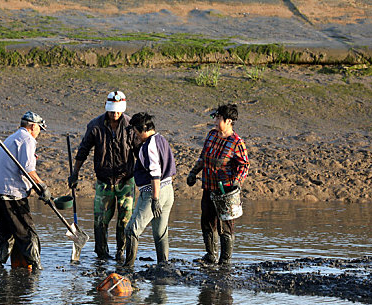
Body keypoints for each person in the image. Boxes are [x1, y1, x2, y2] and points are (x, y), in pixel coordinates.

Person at [68, 91, 139, 261]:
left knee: (125, 220)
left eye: (118, 111)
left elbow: (140, 152)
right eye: (112, 111)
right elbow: (83, 150)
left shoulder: (131, 126)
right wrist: (74, 173)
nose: (115, 114)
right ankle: (101, 255)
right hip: (103, 182)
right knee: (100, 221)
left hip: (126, 181)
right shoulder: (95, 126)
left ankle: (121, 253)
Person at [0, 111, 52, 270]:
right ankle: (37, 268)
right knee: (27, 233)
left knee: (6, 233)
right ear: (32, 126)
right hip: (11, 194)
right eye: (39, 130)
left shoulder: (12, 138)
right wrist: (42, 186)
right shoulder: (28, 140)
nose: (39, 134)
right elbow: (28, 169)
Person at [186, 104, 249, 265]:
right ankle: (211, 256)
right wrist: (193, 172)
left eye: (218, 118)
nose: (215, 121)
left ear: (229, 121)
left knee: (225, 226)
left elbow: (244, 166)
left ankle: (225, 260)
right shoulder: (212, 135)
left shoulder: (236, 142)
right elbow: (203, 157)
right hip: (208, 187)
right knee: (207, 222)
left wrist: (236, 182)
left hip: (225, 191)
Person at [122, 112, 176, 268]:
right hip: (168, 190)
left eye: (135, 131)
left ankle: (128, 268)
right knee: (160, 233)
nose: (135, 135)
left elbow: (155, 173)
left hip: (153, 191)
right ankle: (163, 266)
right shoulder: (161, 139)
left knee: (132, 230)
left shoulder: (149, 145)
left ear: (142, 129)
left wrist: (154, 199)